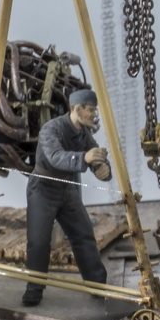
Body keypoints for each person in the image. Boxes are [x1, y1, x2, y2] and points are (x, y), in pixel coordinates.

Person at [22, 89, 111, 306]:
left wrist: (102, 169)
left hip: (66, 190)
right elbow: (55, 157)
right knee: (38, 242)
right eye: (91, 110)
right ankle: (34, 287)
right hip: (43, 190)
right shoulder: (50, 129)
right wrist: (85, 157)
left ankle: (98, 284)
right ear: (77, 109)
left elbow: (93, 155)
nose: (94, 115)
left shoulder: (83, 133)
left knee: (84, 235)